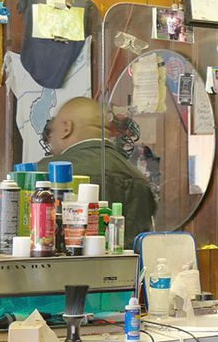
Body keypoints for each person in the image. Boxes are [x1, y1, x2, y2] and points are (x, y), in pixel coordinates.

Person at [44, 97, 157, 238]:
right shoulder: (137, 178)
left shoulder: (42, 173)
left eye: (52, 131)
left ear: (67, 128)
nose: (50, 139)